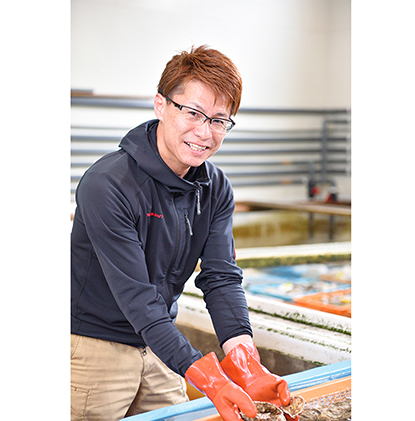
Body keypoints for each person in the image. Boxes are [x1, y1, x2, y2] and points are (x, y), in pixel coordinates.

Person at [71, 45, 296, 421]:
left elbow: (221, 277)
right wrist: (206, 375)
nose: (204, 132)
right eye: (193, 113)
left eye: (219, 120)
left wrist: (243, 355)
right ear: (161, 105)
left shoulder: (216, 188)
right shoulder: (107, 185)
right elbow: (137, 299)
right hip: (93, 348)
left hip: (159, 346)